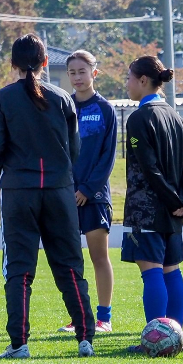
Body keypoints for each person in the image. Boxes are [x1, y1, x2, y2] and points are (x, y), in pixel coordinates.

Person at [0, 35, 92, 358]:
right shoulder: (63, 99)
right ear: (46, 63)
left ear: (13, 65)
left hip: (19, 193)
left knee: (18, 268)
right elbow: (75, 149)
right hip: (59, 191)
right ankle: (85, 338)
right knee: (70, 266)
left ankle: (19, 343)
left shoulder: (2, 99)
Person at [119, 55, 183, 349]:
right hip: (173, 210)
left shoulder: (138, 119)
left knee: (151, 270)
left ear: (142, 81)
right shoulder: (176, 117)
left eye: (128, 78)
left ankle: (156, 339)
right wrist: (182, 201)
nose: (126, 84)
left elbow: (147, 167)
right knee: (171, 269)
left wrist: (172, 198)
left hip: (147, 209)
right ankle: (176, 335)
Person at [63, 49, 116, 334]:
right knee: (72, 259)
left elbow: (107, 157)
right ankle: (77, 315)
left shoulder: (105, 109)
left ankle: (104, 317)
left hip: (94, 197)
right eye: (72, 72)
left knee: (98, 257)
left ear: (94, 73)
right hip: (65, 196)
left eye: (82, 71)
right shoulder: (64, 106)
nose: (77, 77)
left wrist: (87, 189)